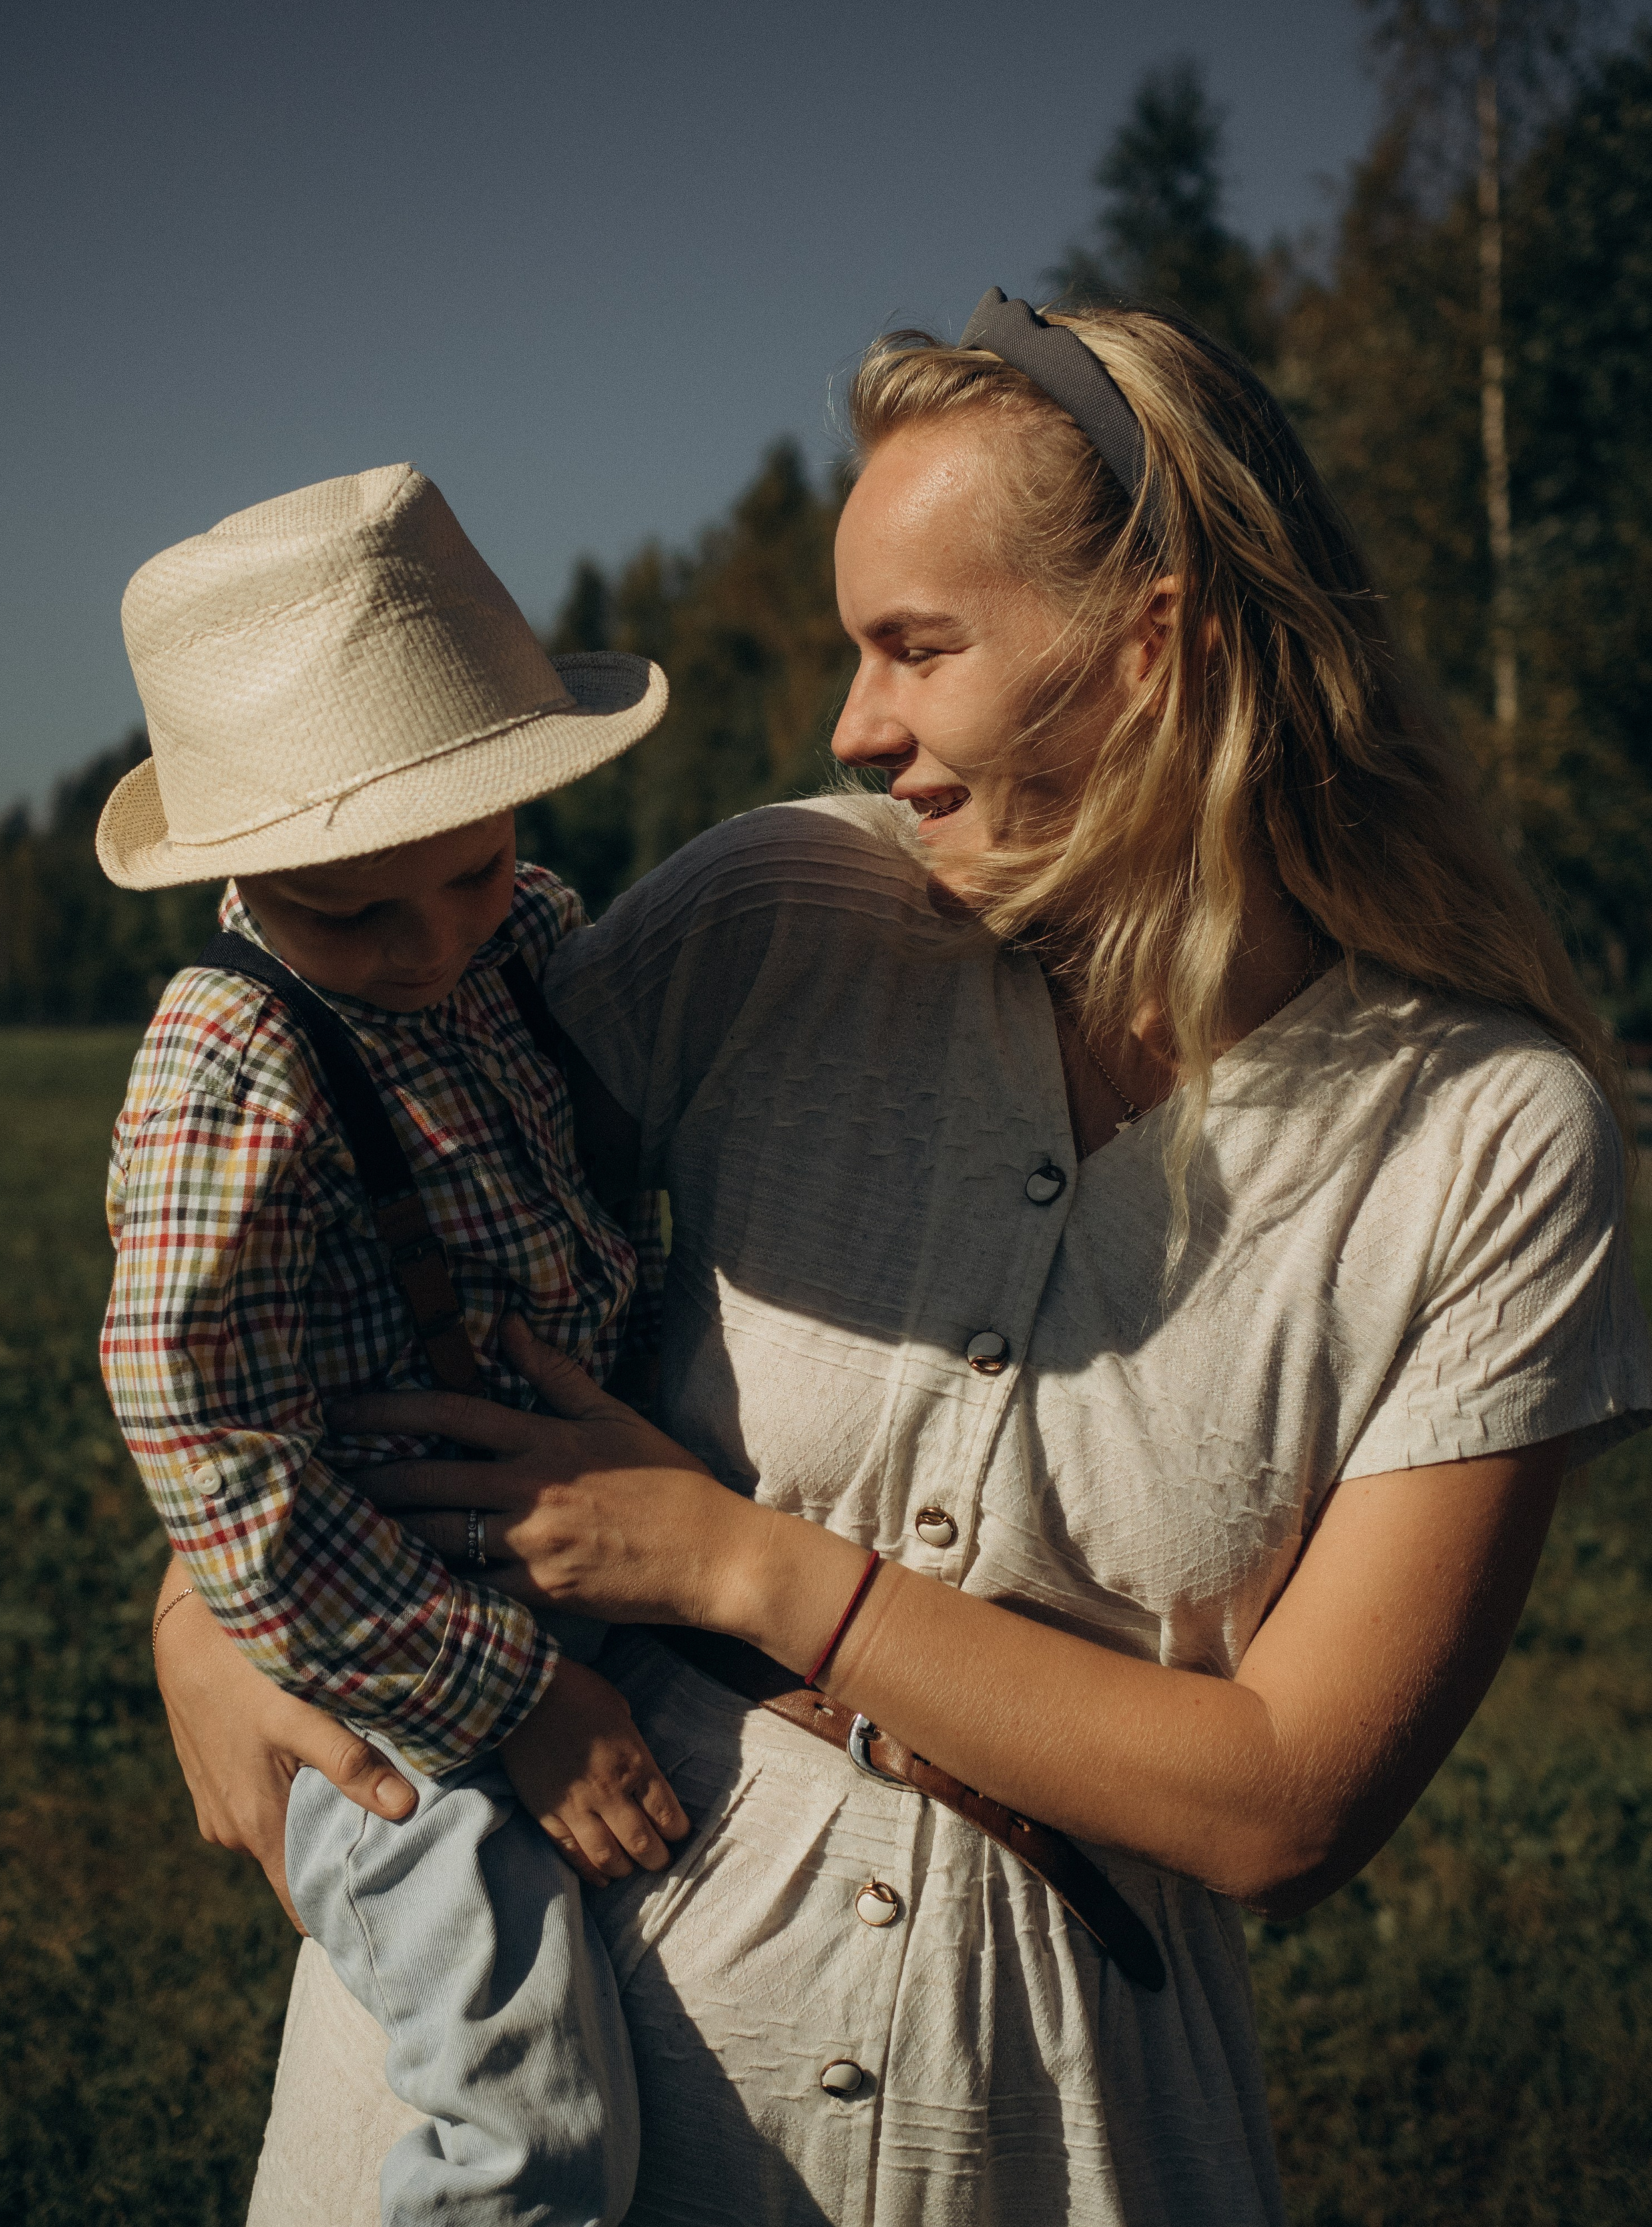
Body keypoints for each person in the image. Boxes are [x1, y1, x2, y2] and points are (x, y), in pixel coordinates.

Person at [156, 300, 1652, 2227]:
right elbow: (368, 1215)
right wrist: (200, 1605)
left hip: (1015, 2128)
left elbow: (1286, 1806)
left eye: (914, 650)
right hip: (496, 2069)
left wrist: (733, 1558)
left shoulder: (1484, 1139)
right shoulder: (784, 907)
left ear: (1161, 647)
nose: (854, 727)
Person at [99, 461, 690, 2227]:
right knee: (534, 2137)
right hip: (391, 1669)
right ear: (244, 873)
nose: (433, 940)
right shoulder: (234, 1064)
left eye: (475, 867)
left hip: (562, 1575)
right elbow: (212, 1458)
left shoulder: (520, 947)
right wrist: (506, 1704)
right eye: (355, 912)